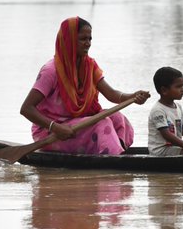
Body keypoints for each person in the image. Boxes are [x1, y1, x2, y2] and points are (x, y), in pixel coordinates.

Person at [19, 16, 150, 155]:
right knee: (102, 123)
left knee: (118, 118)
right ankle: (115, 157)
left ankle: (117, 153)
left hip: (78, 125)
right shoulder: (50, 71)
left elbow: (111, 94)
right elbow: (26, 109)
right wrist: (55, 127)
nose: (88, 43)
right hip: (52, 133)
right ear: (69, 41)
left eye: (90, 39)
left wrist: (133, 97)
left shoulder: (89, 66)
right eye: (83, 39)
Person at [147, 66, 183, 156]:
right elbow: (166, 134)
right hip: (160, 151)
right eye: (178, 87)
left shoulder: (178, 107)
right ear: (164, 90)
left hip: (174, 147)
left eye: (182, 86)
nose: (182, 89)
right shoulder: (158, 110)